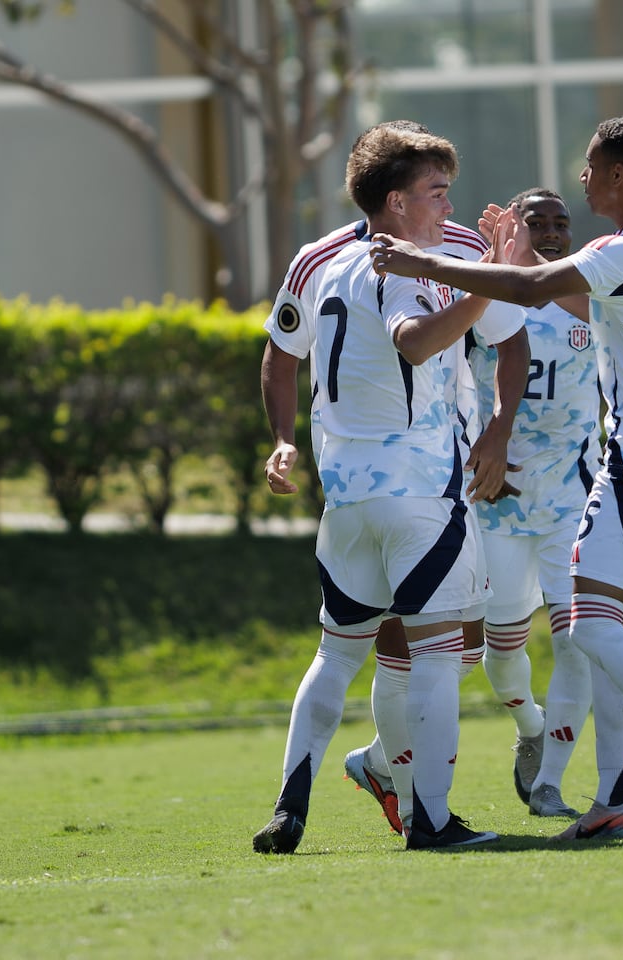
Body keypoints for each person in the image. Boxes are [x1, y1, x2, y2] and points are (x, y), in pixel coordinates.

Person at [370, 116, 623, 842]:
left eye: (592, 167)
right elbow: (554, 293)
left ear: (620, 176)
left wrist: (427, 266)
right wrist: (509, 264)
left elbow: (534, 286)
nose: (583, 178)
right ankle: (615, 800)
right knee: (601, 626)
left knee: (588, 624)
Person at [251, 123, 527, 853]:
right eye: (437, 192)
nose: (449, 206)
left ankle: (290, 805)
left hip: (348, 498)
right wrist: (489, 279)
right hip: (420, 491)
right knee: (438, 655)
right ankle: (429, 819)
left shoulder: (331, 267)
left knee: (337, 654)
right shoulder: (401, 261)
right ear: (397, 202)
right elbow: (415, 338)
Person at [466, 187, 600, 819]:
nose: (550, 231)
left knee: (578, 641)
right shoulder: (483, 293)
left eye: (559, 223)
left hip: (572, 498)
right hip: (498, 497)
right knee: (499, 652)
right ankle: (529, 725)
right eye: (535, 222)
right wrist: (499, 269)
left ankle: (550, 784)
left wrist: (526, 266)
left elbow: (584, 303)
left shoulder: (587, 290)